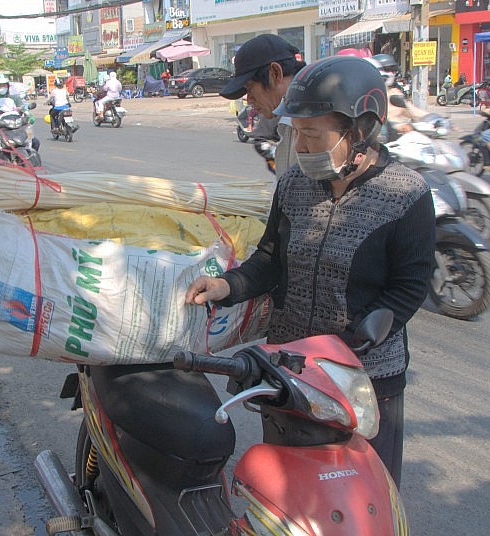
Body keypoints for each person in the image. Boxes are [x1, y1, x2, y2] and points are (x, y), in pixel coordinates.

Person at [185, 55, 435, 488]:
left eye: (312, 135)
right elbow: (269, 260)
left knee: (362, 499)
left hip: (365, 378)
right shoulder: (293, 186)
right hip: (291, 374)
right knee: (291, 496)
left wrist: (352, 342)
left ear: (359, 131)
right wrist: (227, 286)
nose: (300, 147)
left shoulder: (405, 194)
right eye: (296, 133)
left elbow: (407, 289)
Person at [219, 34, 307, 178]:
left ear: (275, 73)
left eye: (250, 88)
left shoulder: (313, 123)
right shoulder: (286, 122)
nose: (248, 99)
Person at [371, 53, 426, 137]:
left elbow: (411, 111)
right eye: (388, 69)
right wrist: (398, 126)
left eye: (394, 70)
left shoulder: (394, 93)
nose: (392, 73)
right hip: (381, 140)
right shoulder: (369, 95)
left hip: (401, 139)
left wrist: (432, 118)